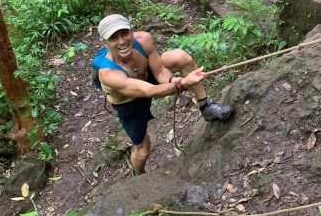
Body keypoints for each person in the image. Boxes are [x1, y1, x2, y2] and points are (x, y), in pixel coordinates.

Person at [92, 14, 234, 176]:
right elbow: (147, 91)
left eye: (124, 33)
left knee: (180, 57)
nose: (122, 41)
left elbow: (159, 71)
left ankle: (206, 105)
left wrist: (174, 80)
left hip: (147, 76)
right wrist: (181, 84)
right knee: (143, 150)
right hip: (129, 102)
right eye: (113, 38)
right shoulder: (108, 72)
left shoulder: (143, 40)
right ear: (105, 43)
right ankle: (138, 175)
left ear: (132, 31)